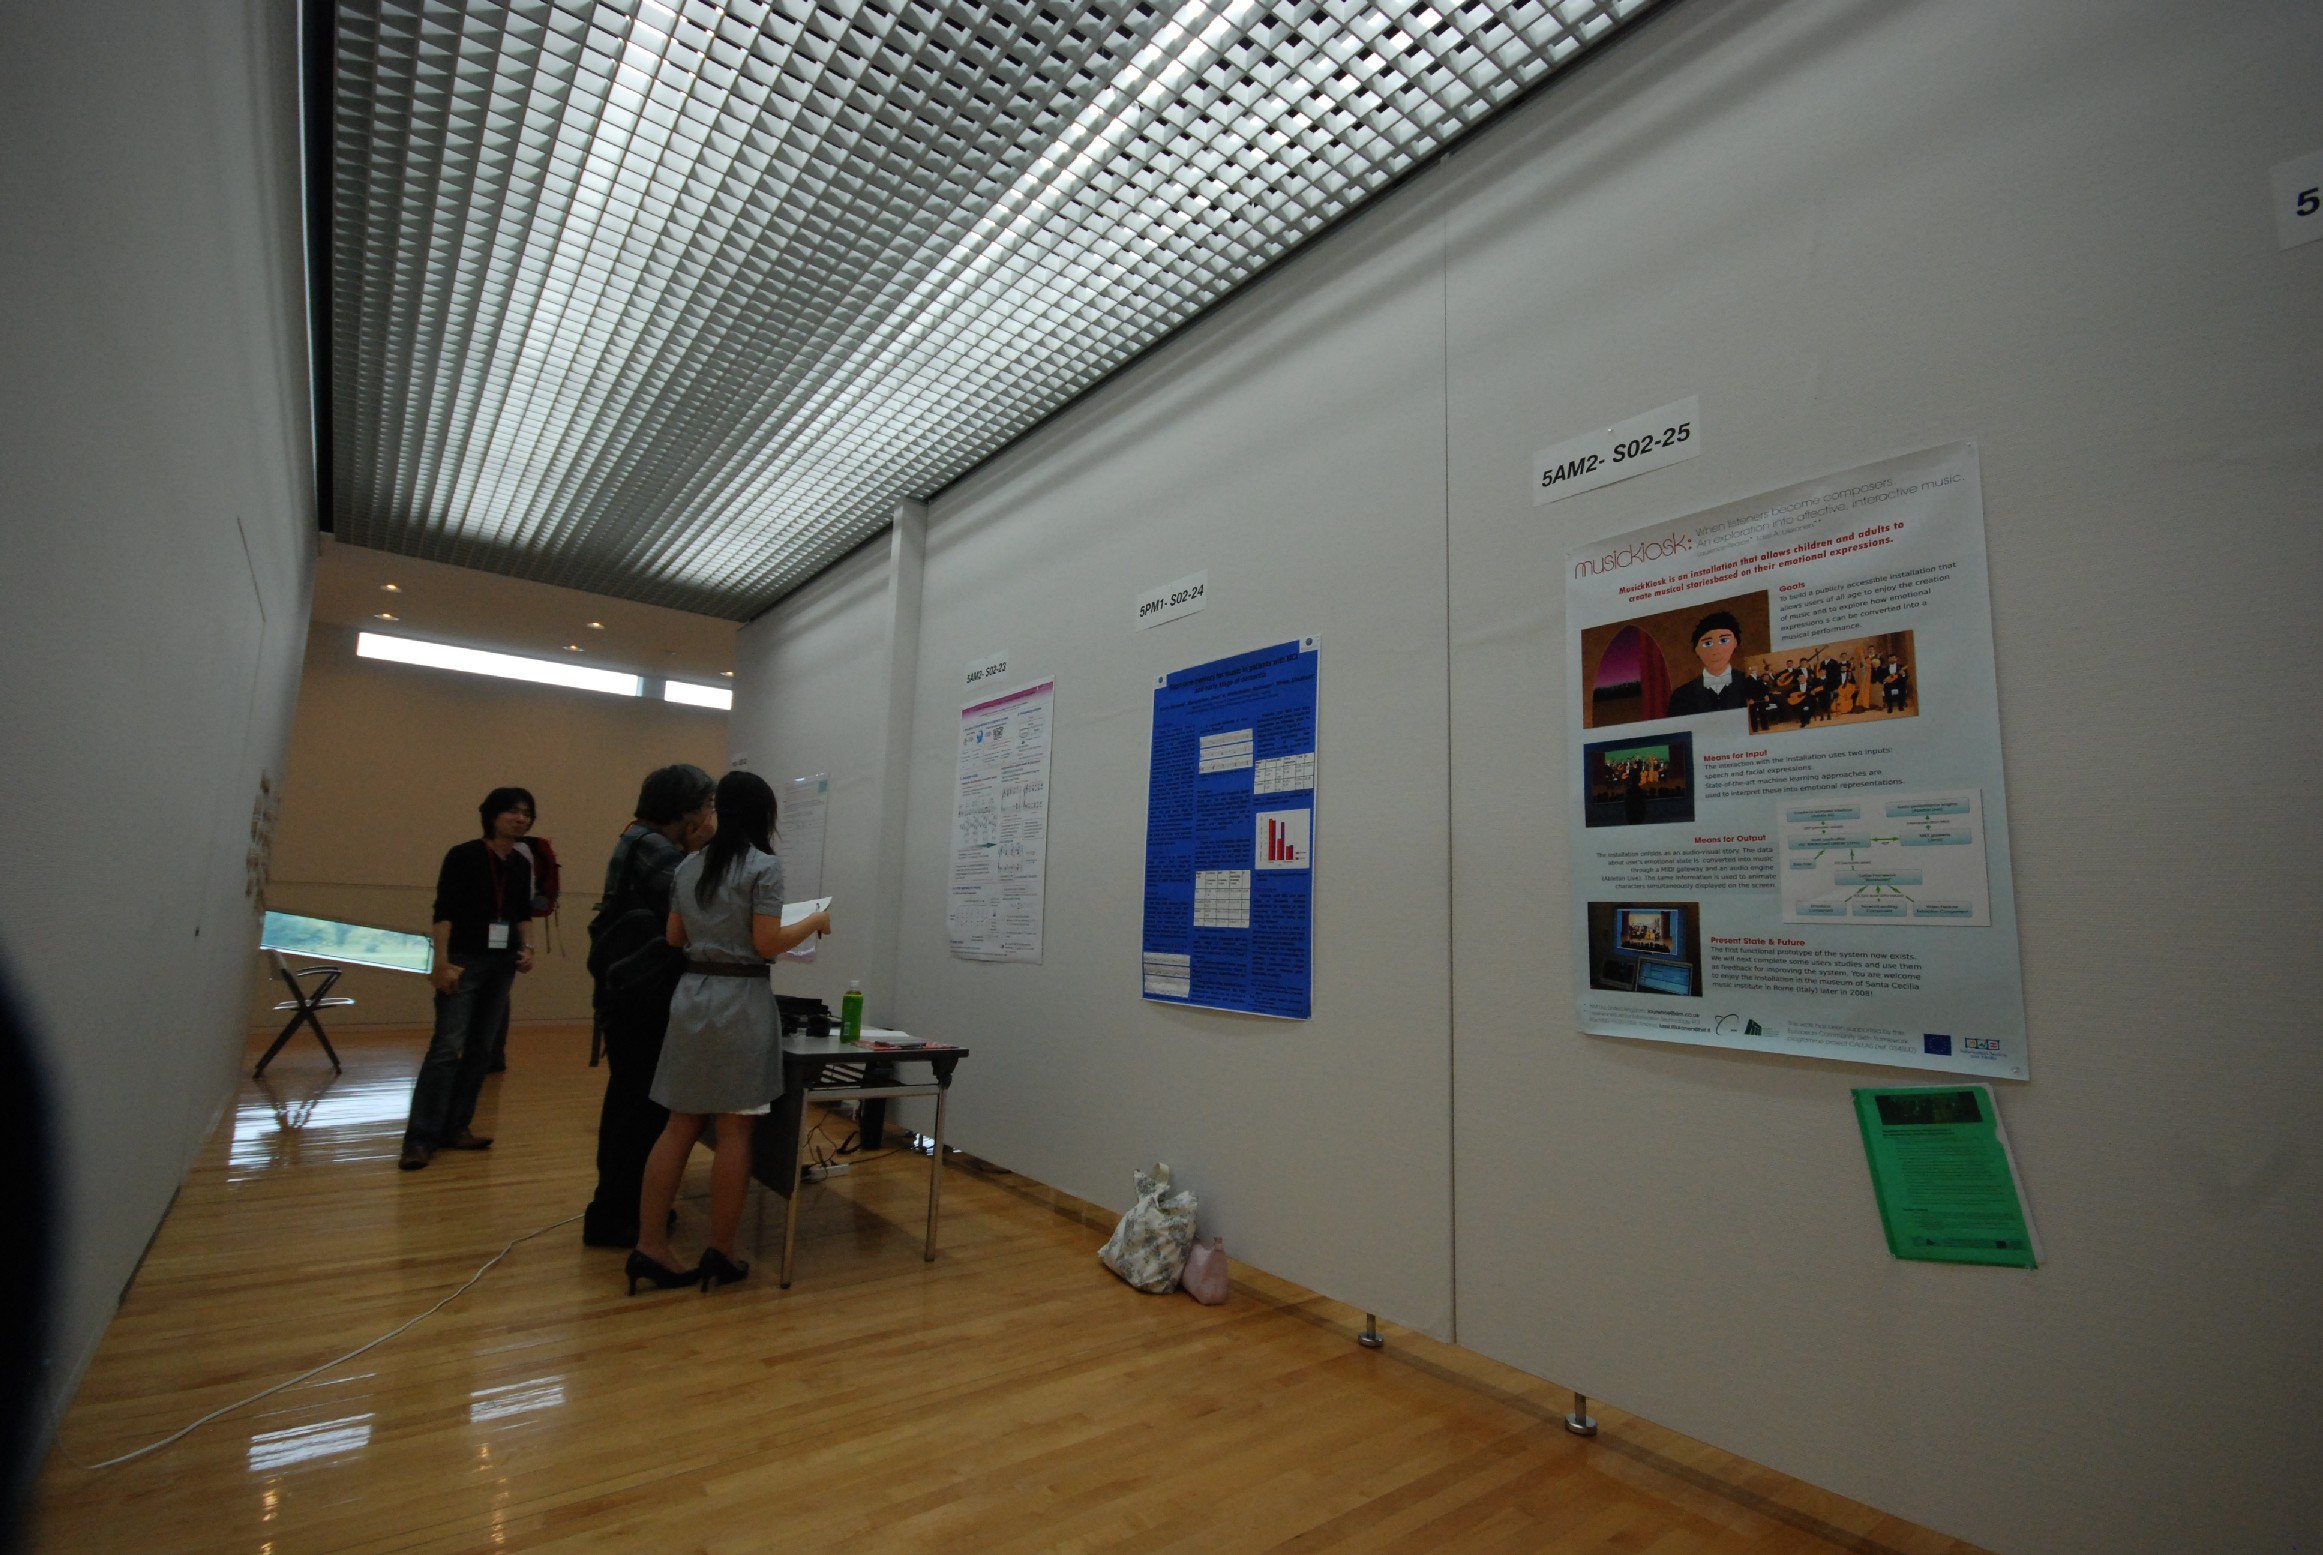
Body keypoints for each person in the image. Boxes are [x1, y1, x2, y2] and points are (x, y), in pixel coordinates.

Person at [626, 772, 833, 1293]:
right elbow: (766, 943)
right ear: (764, 816)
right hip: (741, 1000)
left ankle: (649, 1245)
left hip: (693, 996)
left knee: (678, 1125)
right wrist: (813, 923)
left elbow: (676, 935)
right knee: (736, 1128)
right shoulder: (763, 868)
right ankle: (721, 1251)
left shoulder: (690, 864)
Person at [580, 764, 716, 1248]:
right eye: (707, 805)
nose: (710, 815)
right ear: (686, 811)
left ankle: (617, 1206)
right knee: (640, 1111)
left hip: (625, 998)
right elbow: (704, 904)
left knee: (626, 1104)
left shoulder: (637, 839)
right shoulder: (655, 849)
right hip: (643, 1002)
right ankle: (620, 1215)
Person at [401, 788, 536, 1171]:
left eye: (527, 813)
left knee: (481, 1050)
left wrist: (529, 948)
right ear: (492, 815)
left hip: (501, 965)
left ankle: (456, 1127)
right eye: (512, 811)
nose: (521, 818)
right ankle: (419, 1138)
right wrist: (440, 963)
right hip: (463, 961)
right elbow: (443, 912)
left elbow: (522, 912)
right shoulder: (463, 855)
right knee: (447, 1048)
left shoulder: (521, 864)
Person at [1663, 611, 1764, 717]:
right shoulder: (1682, 694)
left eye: (1724, 640)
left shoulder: (1750, 683)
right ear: (1696, 649)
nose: (1716, 651)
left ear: (1735, 642)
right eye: (1707, 643)